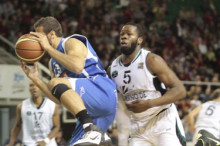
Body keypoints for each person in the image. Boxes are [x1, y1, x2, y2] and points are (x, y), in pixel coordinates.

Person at [20, 16, 117, 145]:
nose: (37, 41)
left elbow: (77, 67)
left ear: (52, 34)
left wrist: (49, 49)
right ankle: (96, 133)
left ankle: (91, 129)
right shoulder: (52, 63)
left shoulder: (71, 42)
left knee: (55, 82)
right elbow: (58, 99)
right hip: (90, 110)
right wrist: (36, 80)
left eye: (39, 37)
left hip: (102, 91)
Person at [108, 23, 186, 146]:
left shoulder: (151, 60)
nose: (124, 37)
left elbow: (180, 90)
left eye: (129, 34)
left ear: (139, 40)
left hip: (162, 120)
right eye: (122, 34)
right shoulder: (112, 69)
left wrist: (149, 104)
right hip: (137, 126)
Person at [8, 82, 60, 146]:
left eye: (37, 85)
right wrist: (10, 144)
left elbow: (57, 127)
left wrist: (45, 141)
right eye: (31, 85)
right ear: (29, 88)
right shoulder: (21, 106)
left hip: (48, 144)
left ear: (41, 88)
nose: (34, 88)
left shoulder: (52, 105)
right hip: (29, 144)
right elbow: (17, 126)